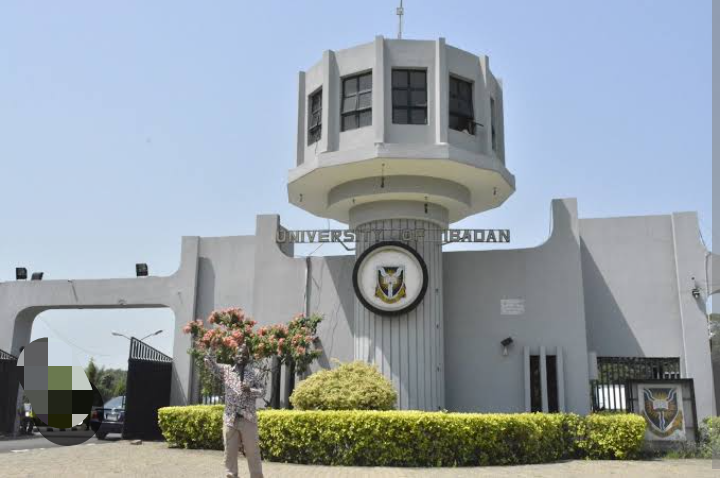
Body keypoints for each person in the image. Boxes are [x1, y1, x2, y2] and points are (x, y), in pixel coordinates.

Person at [205, 342, 265, 478]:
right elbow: (209, 364)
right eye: (239, 354)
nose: (241, 356)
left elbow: (262, 391)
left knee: (253, 452)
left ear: (248, 358)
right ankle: (231, 475)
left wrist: (250, 390)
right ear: (233, 356)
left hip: (248, 419)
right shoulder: (226, 371)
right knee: (229, 453)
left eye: (244, 355)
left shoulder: (255, 373)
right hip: (230, 419)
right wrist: (212, 349)